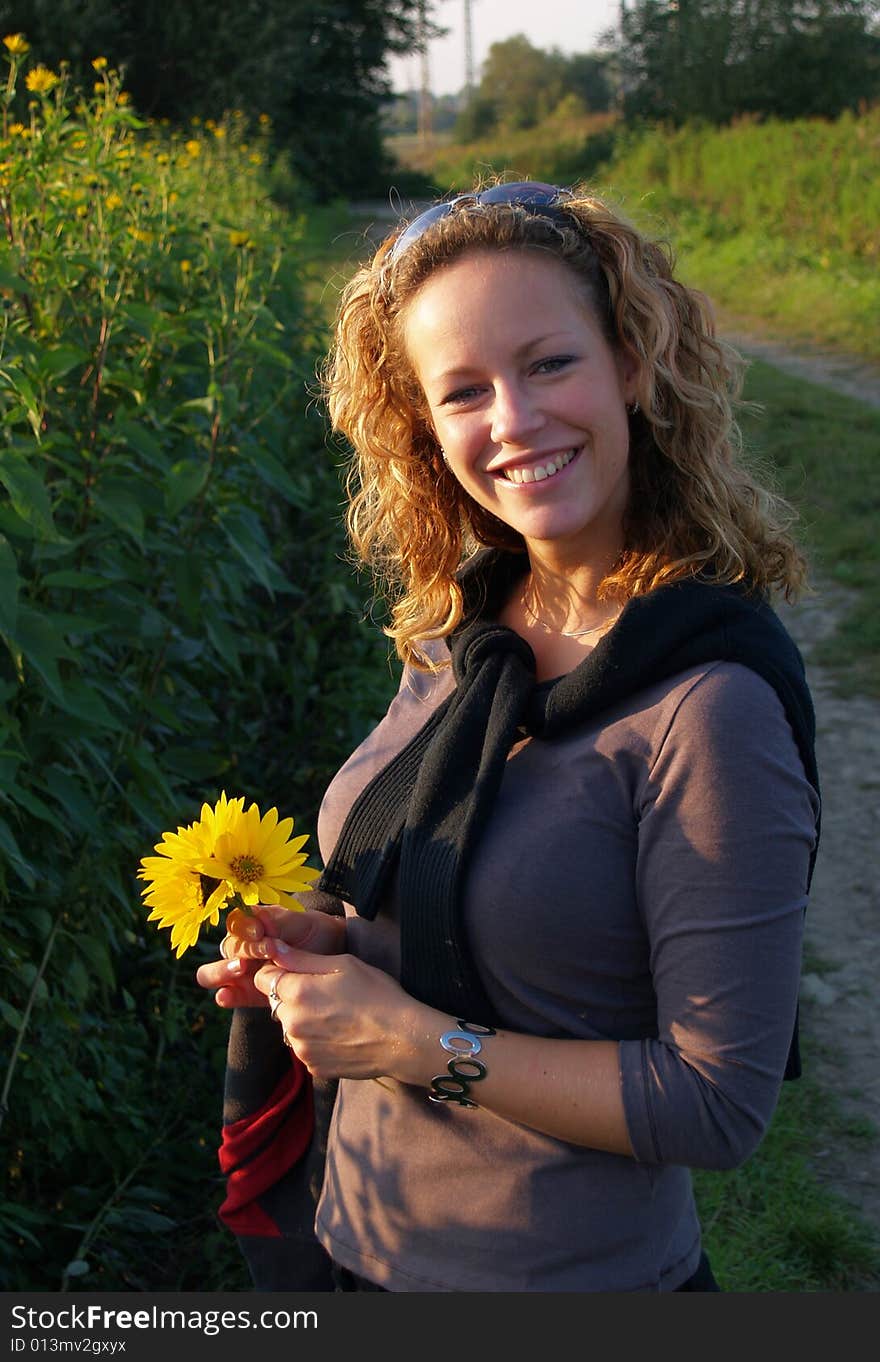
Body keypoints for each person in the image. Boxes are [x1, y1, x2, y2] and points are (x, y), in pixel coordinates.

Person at [196, 181, 821, 1293]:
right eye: (463, 391)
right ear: (424, 430)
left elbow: (717, 1103)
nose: (513, 423)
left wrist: (413, 1045)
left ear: (631, 362)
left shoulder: (705, 706)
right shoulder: (462, 633)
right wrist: (341, 946)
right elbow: (470, 912)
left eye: (548, 364)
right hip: (358, 1251)